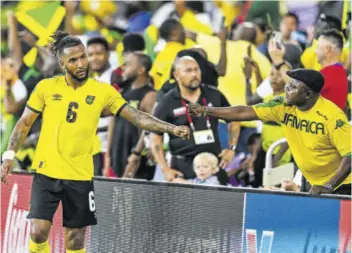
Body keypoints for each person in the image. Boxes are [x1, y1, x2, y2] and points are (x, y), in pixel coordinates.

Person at [0, 31, 190, 253]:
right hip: (46, 171)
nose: (81, 63)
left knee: (76, 241)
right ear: (62, 63)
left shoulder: (102, 91)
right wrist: (9, 156)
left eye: (83, 57)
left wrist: (170, 128)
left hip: (80, 175)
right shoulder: (46, 88)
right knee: (37, 231)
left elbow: (137, 116)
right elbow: (23, 124)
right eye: (73, 60)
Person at [188, 68, 351, 196]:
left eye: (293, 87)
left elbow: (350, 156)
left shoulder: (332, 117)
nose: (287, 88)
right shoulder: (283, 105)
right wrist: (205, 110)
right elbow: (244, 112)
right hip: (311, 181)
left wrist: (329, 185)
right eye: (289, 83)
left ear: (308, 94)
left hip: (342, 184)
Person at [151, 56, 240, 182]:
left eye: (196, 70)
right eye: (188, 70)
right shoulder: (167, 102)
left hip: (212, 166)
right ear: (176, 75)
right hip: (183, 169)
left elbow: (234, 119)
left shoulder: (213, 94)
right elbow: (155, 137)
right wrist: (165, 169)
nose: (194, 74)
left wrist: (232, 149)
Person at [105, 52, 156, 179]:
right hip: (118, 152)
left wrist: (136, 153)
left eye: (128, 64)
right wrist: (108, 155)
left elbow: (150, 127)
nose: (123, 67)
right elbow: (112, 121)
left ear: (141, 70)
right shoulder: (123, 93)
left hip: (136, 158)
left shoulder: (149, 95)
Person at [87, 36, 115, 175]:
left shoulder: (114, 78)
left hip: (108, 148)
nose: (94, 58)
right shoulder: (94, 80)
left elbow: (113, 112)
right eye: (90, 55)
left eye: (98, 53)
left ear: (108, 54)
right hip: (95, 147)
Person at [315, 29, 348, 110]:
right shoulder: (340, 73)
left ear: (328, 49)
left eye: (318, 47)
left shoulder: (325, 77)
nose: (315, 51)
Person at [150, 19, 186, 90]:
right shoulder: (184, 52)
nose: (185, 33)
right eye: (182, 30)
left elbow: (153, 78)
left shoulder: (160, 55)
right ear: (174, 34)